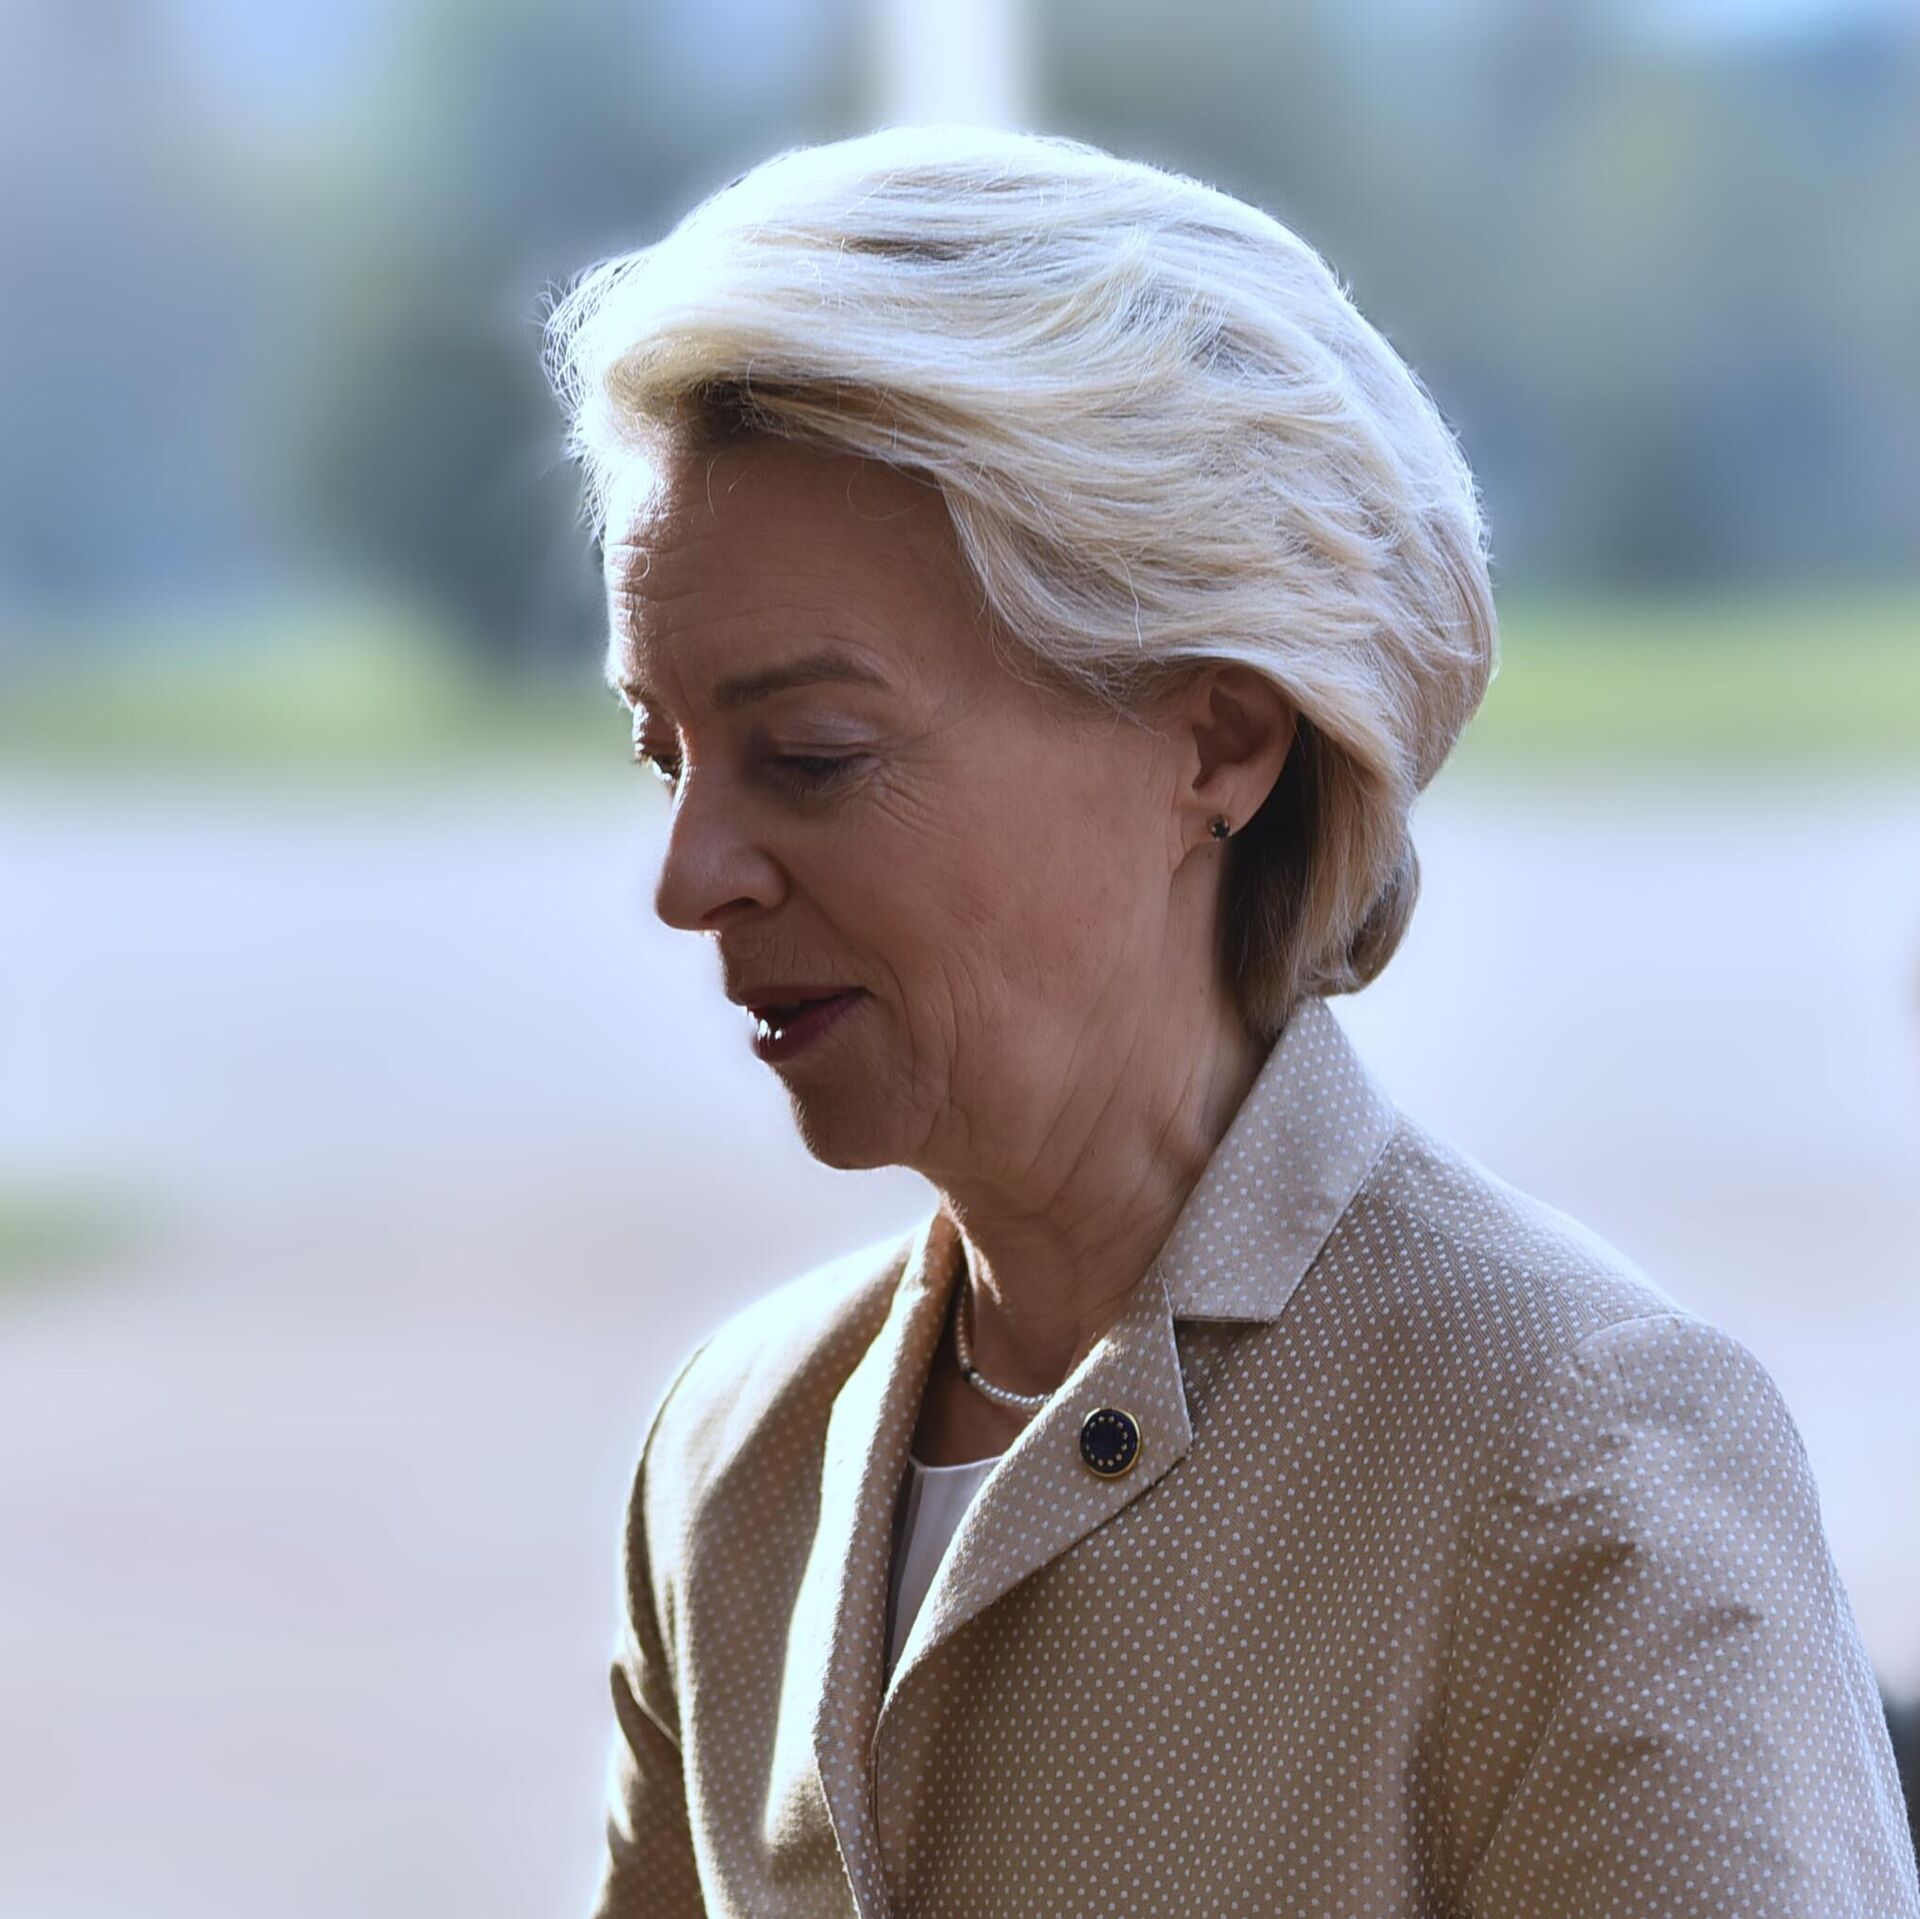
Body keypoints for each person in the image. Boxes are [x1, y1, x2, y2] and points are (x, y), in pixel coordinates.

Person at [543, 126, 1920, 1916]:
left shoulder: (1576, 1462)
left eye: (811, 755)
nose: (689, 876)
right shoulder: (736, 1457)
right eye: (663, 754)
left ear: (1221, 741)